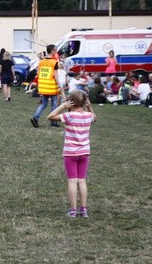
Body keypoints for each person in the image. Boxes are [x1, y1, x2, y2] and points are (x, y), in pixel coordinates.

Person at [47, 90, 96, 218]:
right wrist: (89, 107)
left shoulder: (68, 116)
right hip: (84, 152)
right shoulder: (88, 116)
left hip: (70, 153)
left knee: (72, 181)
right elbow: (94, 118)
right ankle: (84, 210)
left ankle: (73, 210)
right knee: (82, 181)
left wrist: (63, 106)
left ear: (71, 102)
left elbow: (50, 116)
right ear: (85, 102)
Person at [30, 44, 61, 128]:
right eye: (55, 50)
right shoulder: (54, 62)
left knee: (44, 104)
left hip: (43, 86)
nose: (56, 51)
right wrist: (59, 86)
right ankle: (53, 121)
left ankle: (35, 118)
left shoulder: (41, 62)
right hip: (52, 86)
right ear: (51, 51)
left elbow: (38, 74)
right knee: (54, 104)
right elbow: (55, 75)